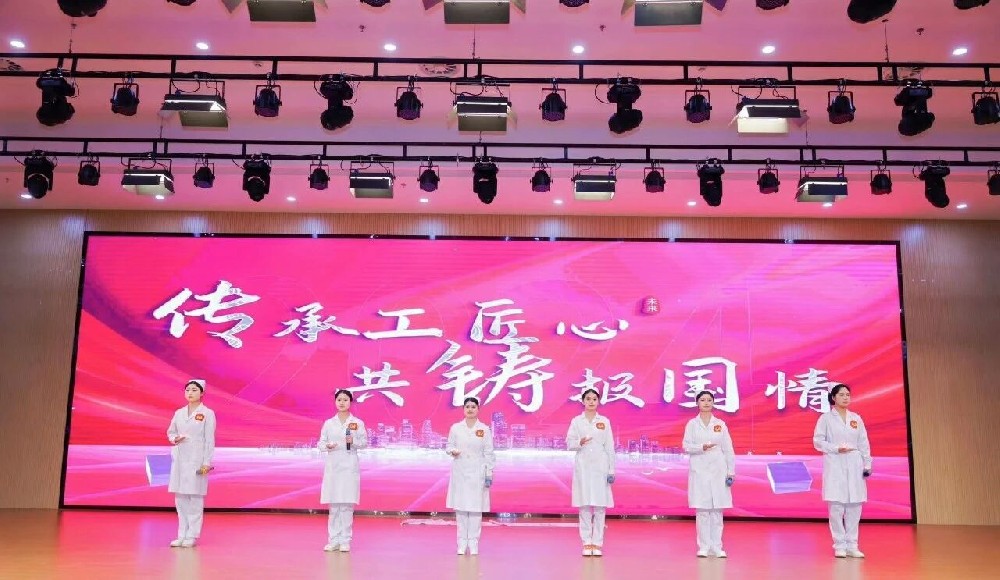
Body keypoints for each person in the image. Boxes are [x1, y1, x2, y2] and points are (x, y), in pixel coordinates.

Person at [813, 383, 872, 559]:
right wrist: (836, 448)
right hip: (835, 462)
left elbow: (863, 443)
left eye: (847, 394)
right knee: (836, 507)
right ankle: (839, 544)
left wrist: (867, 464)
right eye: (841, 395)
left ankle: (852, 545)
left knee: (855, 506)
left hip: (854, 463)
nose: (845, 397)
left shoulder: (856, 418)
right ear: (833, 398)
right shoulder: (825, 419)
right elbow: (818, 442)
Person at [682, 390, 736, 558]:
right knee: (703, 511)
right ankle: (704, 546)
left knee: (717, 511)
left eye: (709, 400)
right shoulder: (692, 424)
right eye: (702, 400)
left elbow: (728, 449)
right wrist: (701, 447)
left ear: (713, 403)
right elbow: (686, 446)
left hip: (718, 470)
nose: (706, 403)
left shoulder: (720, 424)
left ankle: (717, 547)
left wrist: (731, 471)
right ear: (697, 403)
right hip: (699, 470)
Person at [167, 379, 216, 548]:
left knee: (195, 499)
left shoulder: (207, 413)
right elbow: (171, 432)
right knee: (180, 498)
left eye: (194, 390)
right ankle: (181, 534)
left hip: (197, 460)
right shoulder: (179, 413)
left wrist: (206, 462)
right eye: (187, 390)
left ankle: (192, 535)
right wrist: (175, 438)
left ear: (202, 393)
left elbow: (209, 440)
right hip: (180, 458)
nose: (190, 393)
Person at [566, 388, 616, 557]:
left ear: (598, 401)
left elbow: (610, 447)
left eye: (594, 399)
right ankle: (587, 542)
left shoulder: (605, 421)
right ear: (583, 401)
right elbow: (569, 443)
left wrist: (611, 469)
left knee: (600, 507)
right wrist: (579, 442)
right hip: (583, 467)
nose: (591, 402)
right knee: (585, 506)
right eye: (588, 399)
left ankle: (598, 543)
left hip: (601, 467)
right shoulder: (576, 421)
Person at [319, 389, 368, 553]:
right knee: (334, 506)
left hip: (349, 466)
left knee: (346, 505)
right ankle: (333, 540)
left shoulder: (357, 423)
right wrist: (327, 446)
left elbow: (364, 443)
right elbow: (321, 443)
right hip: (333, 467)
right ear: (335, 402)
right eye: (339, 399)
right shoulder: (329, 423)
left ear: (350, 402)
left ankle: (345, 540)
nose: (342, 403)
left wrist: (353, 441)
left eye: (345, 400)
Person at [446, 397, 496, 556]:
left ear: (478, 409)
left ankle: (473, 543)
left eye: (473, 407)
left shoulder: (484, 429)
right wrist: (452, 451)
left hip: (477, 473)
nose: (470, 409)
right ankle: (461, 543)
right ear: (463, 409)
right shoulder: (456, 428)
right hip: (460, 471)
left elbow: (489, 453)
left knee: (475, 510)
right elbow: (449, 446)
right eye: (467, 406)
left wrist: (489, 473)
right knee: (461, 510)